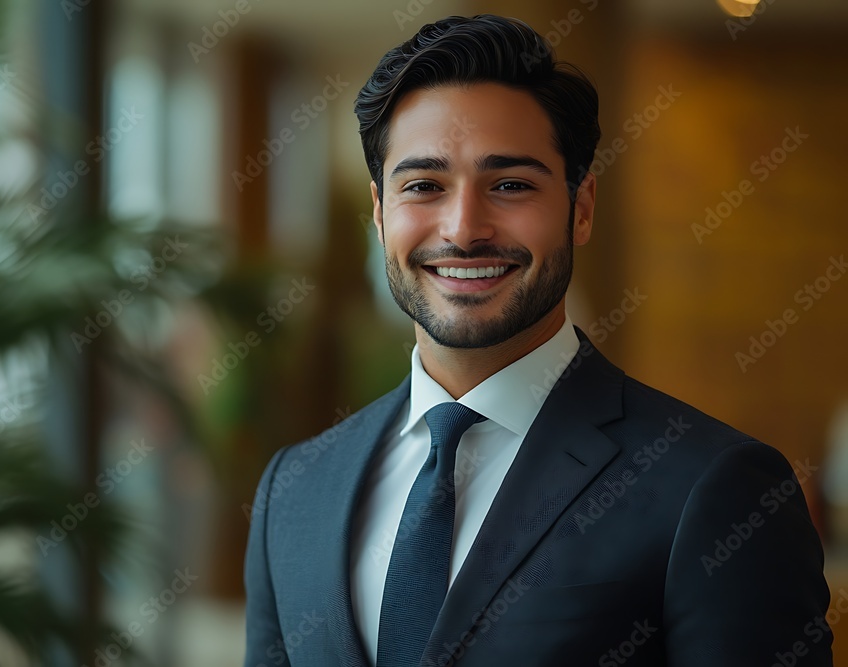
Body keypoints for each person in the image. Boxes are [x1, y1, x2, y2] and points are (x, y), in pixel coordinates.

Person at [243, 14, 831, 667]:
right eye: (424, 186)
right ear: (381, 214)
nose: (464, 229)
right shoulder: (293, 490)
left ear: (580, 208)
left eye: (511, 184)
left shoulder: (715, 487)